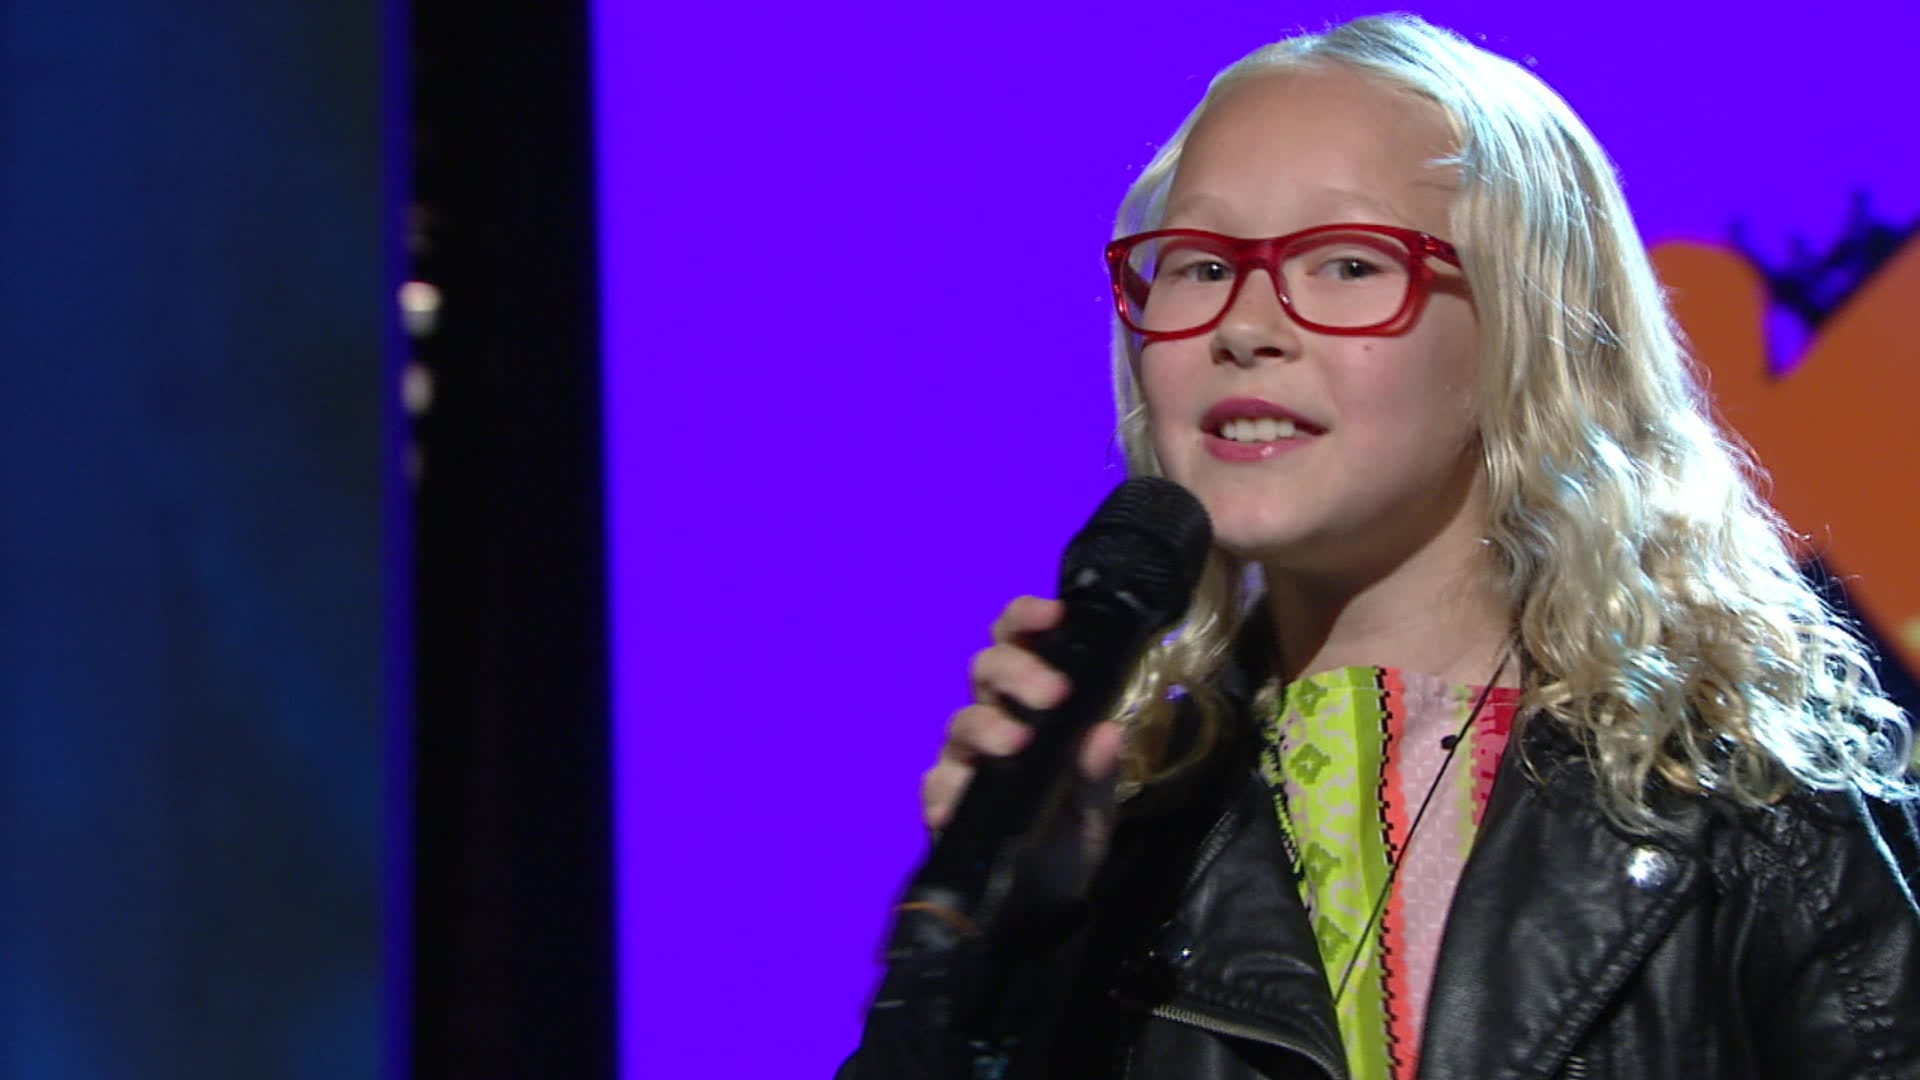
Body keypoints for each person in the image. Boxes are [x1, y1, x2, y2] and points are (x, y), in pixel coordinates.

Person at [841, 13, 1920, 1079]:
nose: (1242, 326)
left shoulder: (1756, 812)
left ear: (1523, 330)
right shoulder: (1116, 845)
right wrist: (1012, 956)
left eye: (1349, 263)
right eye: (1201, 264)